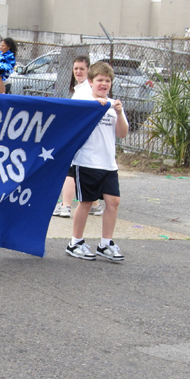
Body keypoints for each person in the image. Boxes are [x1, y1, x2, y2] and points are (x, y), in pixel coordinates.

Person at [66, 61, 129, 262]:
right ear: (91, 82)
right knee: (85, 202)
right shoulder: (85, 102)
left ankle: (105, 243)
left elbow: (122, 133)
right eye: (100, 80)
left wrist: (118, 112)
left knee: (113, 201)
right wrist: (95, 108)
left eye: (107, 81)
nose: (104, 84)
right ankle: (75, 242)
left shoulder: (113, 106)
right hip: (87, 162)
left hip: (108, 164)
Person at [53, 55, 101, 218]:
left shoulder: (87, 90)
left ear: (88, 70)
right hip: (81, 137)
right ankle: (94, 204)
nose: (78, 72)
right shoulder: (80, 89)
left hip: (81, 137)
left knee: (70, 170)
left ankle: (66, 205)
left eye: (82, 69)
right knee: (82, 170)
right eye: (76, 69)